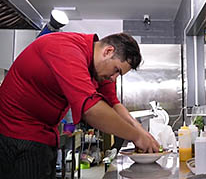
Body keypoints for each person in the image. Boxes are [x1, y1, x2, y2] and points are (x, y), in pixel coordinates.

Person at [0, 32, 160, 179]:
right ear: (108, 51)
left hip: (45, 132)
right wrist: (136, 136)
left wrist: (140, 131)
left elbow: (113, 104)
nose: (113, 78)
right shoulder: (66, 49)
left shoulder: (101, 71)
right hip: (17, 132)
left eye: (119, 74)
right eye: (116, 70)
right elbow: (91, 110)